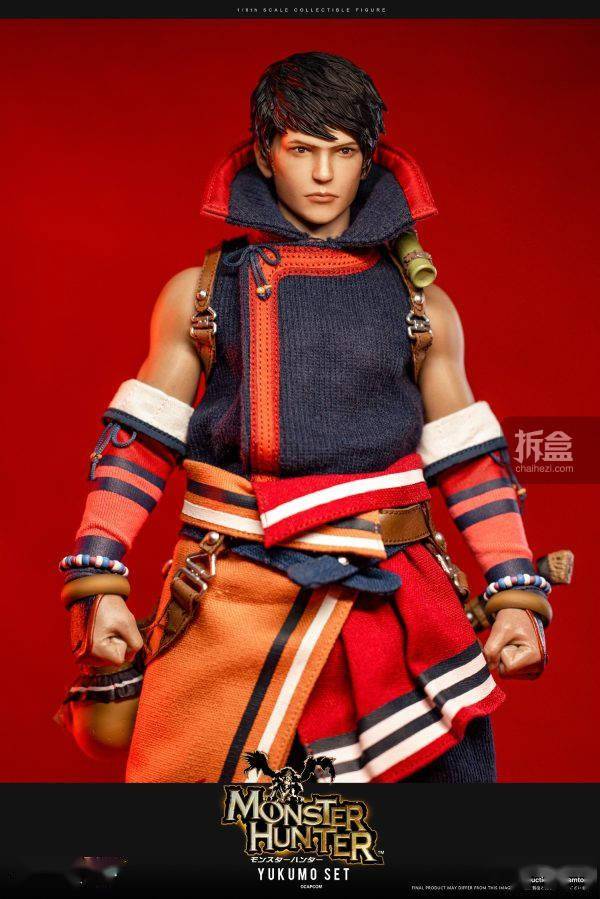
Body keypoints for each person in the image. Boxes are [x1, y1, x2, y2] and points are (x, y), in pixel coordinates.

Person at [58, 51, 552, 784]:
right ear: (265, 153)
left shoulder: (422, 306)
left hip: (395, 602)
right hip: (235, 596)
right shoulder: (202, 294)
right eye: (301, 150)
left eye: (343, 152)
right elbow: (138, 445)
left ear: (368, 160)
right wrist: (99, 579)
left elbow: (470, 459)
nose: (323, 175)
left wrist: (514, 590)